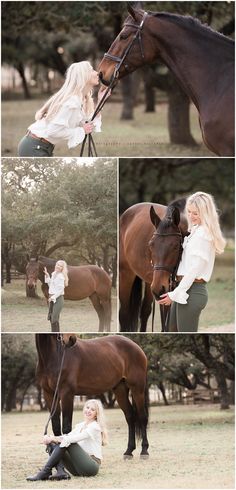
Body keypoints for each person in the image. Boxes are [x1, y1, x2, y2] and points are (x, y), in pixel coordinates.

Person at [158, 192, 226, 332]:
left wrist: (175, 294)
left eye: (196, 213)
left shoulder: (203, 234)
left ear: (205, 213)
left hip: (192, 291)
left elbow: (194, 269)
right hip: (184, 288)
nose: (191, 216)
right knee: (171, 331)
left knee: (183, 334)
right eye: (189, 212)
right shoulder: (195, 231)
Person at [18, 61, 110, 157]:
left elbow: (88, 123)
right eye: (91, 70)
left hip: (41, 145)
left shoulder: (79, 100)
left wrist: (101, 101)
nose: (97, 73)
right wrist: (81, 130)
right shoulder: (72, 101)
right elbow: (53, 131)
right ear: (83, 76)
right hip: (34, 146)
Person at [26, 399, 108, 481]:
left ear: (96, 414)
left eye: (92, 410)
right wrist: (50, 438)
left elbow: (73, 439)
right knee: (53, 443)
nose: (89, 410)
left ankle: (45, 471)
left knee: (68, 442)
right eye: (87, 407)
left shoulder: (95, 427)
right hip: (77, 469)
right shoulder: (80, 425)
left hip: (91, 467)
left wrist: (54, 438)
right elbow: (67, 436)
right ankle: (61, 472)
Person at [44, 260, 68, 331]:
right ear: (56, 265)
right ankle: (54, 332)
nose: (58, 267)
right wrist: (47, 275)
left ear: (62, 268)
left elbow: (60, 290)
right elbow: (50, 285)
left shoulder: (60, 276)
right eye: (58, 265)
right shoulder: (54, 274)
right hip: (51, 297)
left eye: (61, 266)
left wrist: (53, 297)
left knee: (54, 318)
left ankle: (56, 333)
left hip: (58, 299)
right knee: (51, 317)